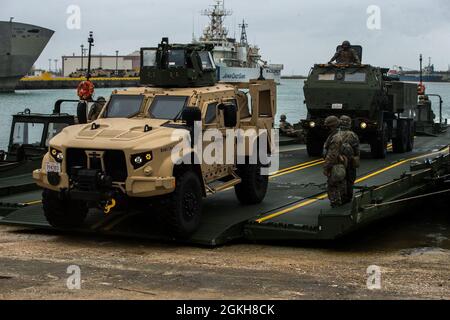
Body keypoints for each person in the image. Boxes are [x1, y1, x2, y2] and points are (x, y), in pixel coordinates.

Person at [323, 116, 347, 208]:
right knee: (339, 183)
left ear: (332, 126)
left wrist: (326, 167)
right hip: (337, 163)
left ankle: (336, 202)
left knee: (333, 184)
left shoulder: (335, 138)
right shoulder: (334, 135)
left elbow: (332, 154)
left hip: (335, 165)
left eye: (328, 126)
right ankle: (340, 201)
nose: (326, 128)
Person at [339, 116, 360, 203]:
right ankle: (348, 197)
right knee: (350, 179)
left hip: (338, 160)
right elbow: (356, 150)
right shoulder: (353, 135)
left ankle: (340, 196)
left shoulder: (334, 134)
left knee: (339, 178)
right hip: (349, 161)